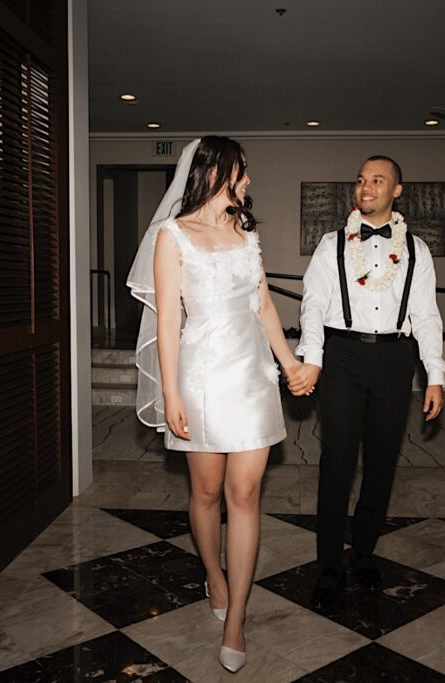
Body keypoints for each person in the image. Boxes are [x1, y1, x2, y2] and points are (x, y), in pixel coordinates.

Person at [127, 137, 300, 673]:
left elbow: (264, 302)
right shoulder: (171, 236)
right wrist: (172, 391)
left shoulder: (247, 232)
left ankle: (236, 618)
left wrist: (289, 363)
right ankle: (215, 574)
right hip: (199, 376)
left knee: (243, 494)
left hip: (251, 375)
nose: (247, 181)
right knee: (205, 492)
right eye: (240, 171)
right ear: (214, 171)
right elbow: (168, 322)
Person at [288, 155, 445, 609]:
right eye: (360, 179)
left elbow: (426, 315)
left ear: (397, 190)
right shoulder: (330, 244)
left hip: (396, 358)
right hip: (342, 357)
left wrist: (434, 374)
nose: (366, 186)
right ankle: (329, 566)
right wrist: (313, 359)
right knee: (337, 460)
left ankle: (363, 554)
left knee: (381, 461)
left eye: (377, 180)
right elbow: (313, 305)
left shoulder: (416, 250)